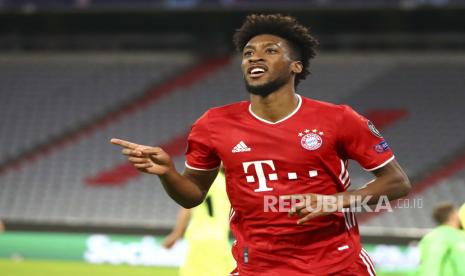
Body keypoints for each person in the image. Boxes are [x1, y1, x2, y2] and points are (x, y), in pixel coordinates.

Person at [111, 14, 411, 275]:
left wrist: (337, 201)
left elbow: (397, 182)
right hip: (257, 267)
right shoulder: (213, 124)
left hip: (335, 267)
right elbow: (192, 196)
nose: (254, 57)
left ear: (295, 66)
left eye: (270, 51)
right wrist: (168, 173)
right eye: (248, 52)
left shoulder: (339, 119)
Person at [162, 168, 234, 276]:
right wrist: (176, 233)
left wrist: (177, 234)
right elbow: (187, 208)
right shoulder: (222, 182)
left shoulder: (211, 180)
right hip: (212, 238)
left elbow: (187, 206)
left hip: (204, 238)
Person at [418, 202, 465, 276]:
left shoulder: (459, 235)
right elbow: (431, 266)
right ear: (453, 215)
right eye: (456, 212)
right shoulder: (438, 237)